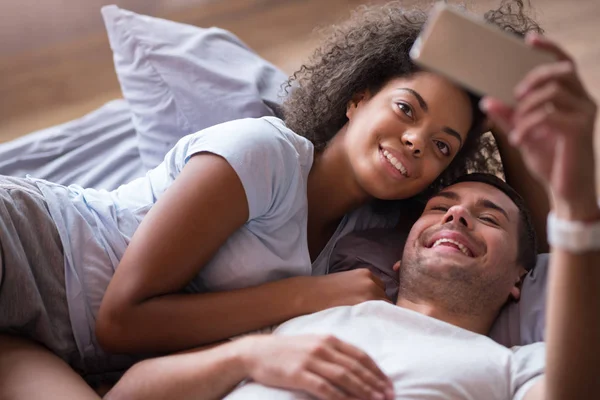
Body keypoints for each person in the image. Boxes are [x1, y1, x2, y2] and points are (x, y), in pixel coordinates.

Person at [0, 1, 544, 398]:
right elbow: (120, 319)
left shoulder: (376, 231)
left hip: (55, 348)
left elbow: (533, 249)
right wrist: (310, 294)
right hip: (29, 247)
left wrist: (510, 126)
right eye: (407, 109)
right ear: (357, 99)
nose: (416, 140)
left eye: (441, 144)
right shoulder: (263, 153)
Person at [101, 31, 599, 398]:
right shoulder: (304, 315)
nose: (457, 219)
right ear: (401, 256)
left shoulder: (515, 368)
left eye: (489, 219)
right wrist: (246, 356)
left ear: (521, 279)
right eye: (441, 208)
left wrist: (575, 196)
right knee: (17, 360)